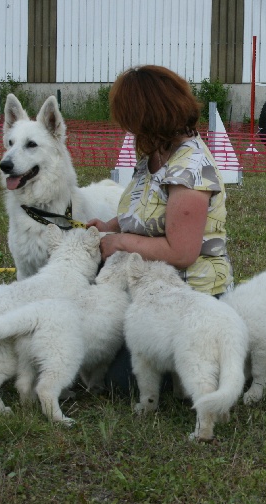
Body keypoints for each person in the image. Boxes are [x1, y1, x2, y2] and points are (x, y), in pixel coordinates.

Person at [87, 65, 233, 391]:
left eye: (128, 116)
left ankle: (204, 364)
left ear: (148, 115)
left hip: (189, 298)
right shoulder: (156, 154)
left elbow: (181, 252)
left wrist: (120, 242)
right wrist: (108, 226)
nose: (125, 126)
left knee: (122, 385)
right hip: (153, 288)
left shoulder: (191, 168)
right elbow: (145, 213)